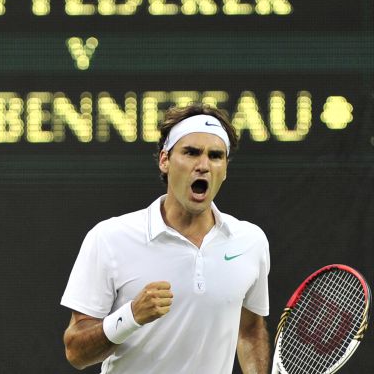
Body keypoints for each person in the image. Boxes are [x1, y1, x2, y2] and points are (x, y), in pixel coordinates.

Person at [61, 103, 270, 373]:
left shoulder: (250, 241)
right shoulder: (109, 238)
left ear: (225, 170)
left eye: (215, 156)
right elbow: (76, 352)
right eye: (191, 153)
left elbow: (250, 331)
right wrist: (131, 316)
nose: (203, 165)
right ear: (165, 160)